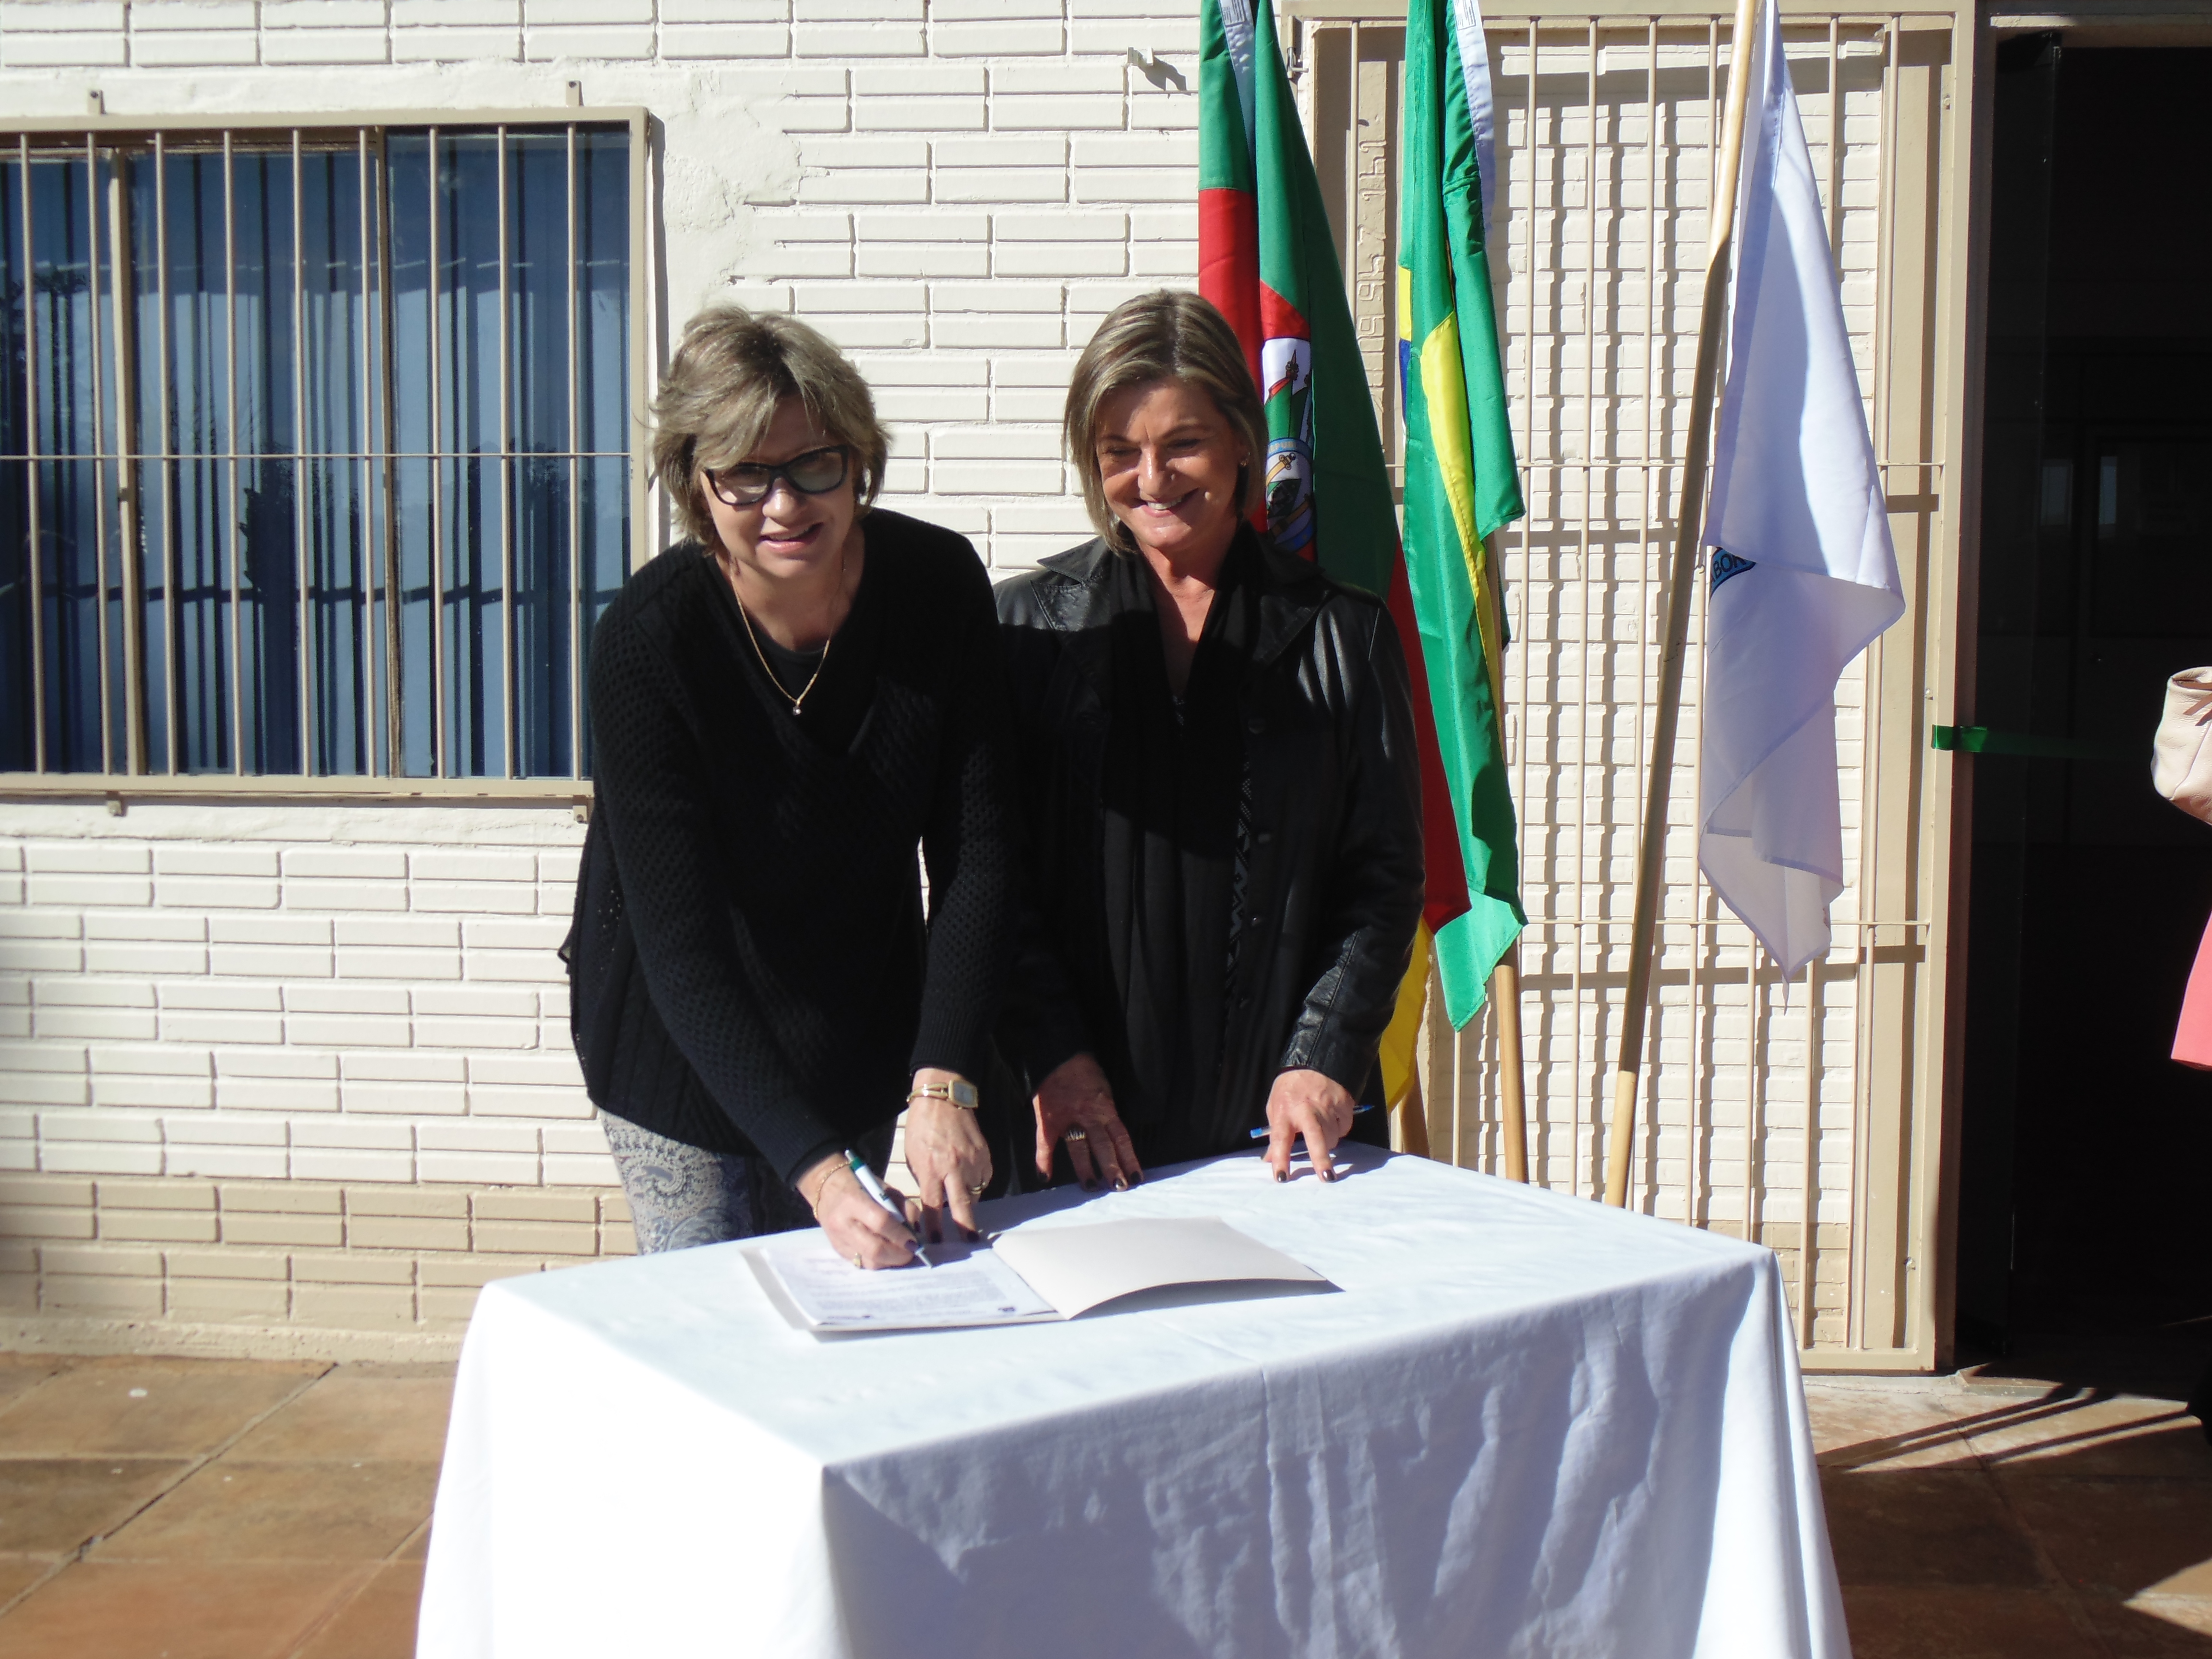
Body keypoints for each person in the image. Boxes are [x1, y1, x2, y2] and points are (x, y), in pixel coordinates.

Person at [566, 306, 1014, 1268]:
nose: (785, 504)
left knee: (853, 1294)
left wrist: (943, 1079)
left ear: (858, 461)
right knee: (715, 1314)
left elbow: (976, 855)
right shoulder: (647, 641)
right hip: (679, 1052)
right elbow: (681, 949)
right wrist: (819, 1174)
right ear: (696, 481)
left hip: (854, 1026)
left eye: (815, 464)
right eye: (745, 473)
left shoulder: (936, 588)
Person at [993, 289, 1424, 1192]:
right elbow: (992, 882)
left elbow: (1383, 878)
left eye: (1182, 443)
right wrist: (1053, 1055)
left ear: (1242, 441)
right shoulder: (1025, 632)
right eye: (1120, 451)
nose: (1152, 479)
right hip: (1075, 1133)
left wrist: (1323, 1055)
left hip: (1286, 1140)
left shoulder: (1344, 633)